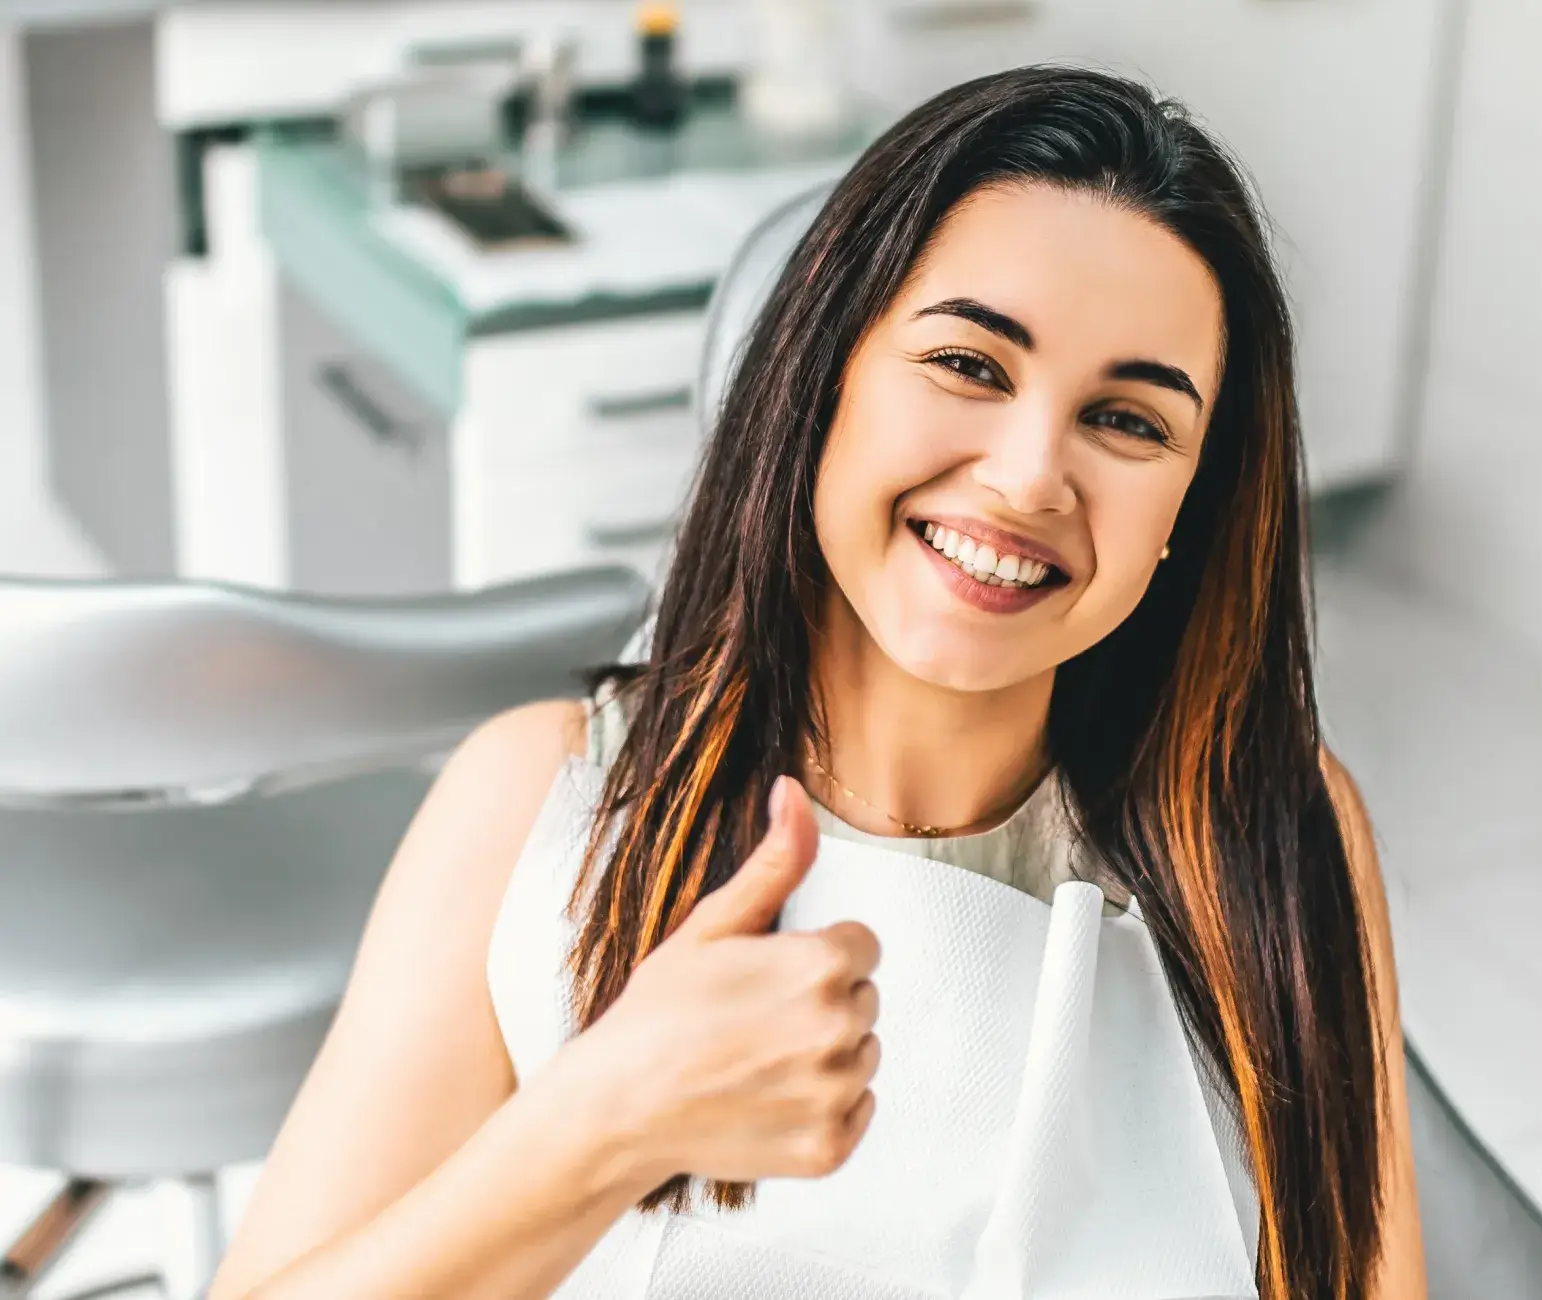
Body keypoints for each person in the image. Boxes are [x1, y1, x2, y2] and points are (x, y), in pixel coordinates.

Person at [209, 64, 1427, 1299]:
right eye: (968, 363)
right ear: (822, 377)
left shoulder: (1267, 824)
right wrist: (599, 1125)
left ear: (1190, 509)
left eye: (1127, 421)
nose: (1025, 478)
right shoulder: (542, 796)